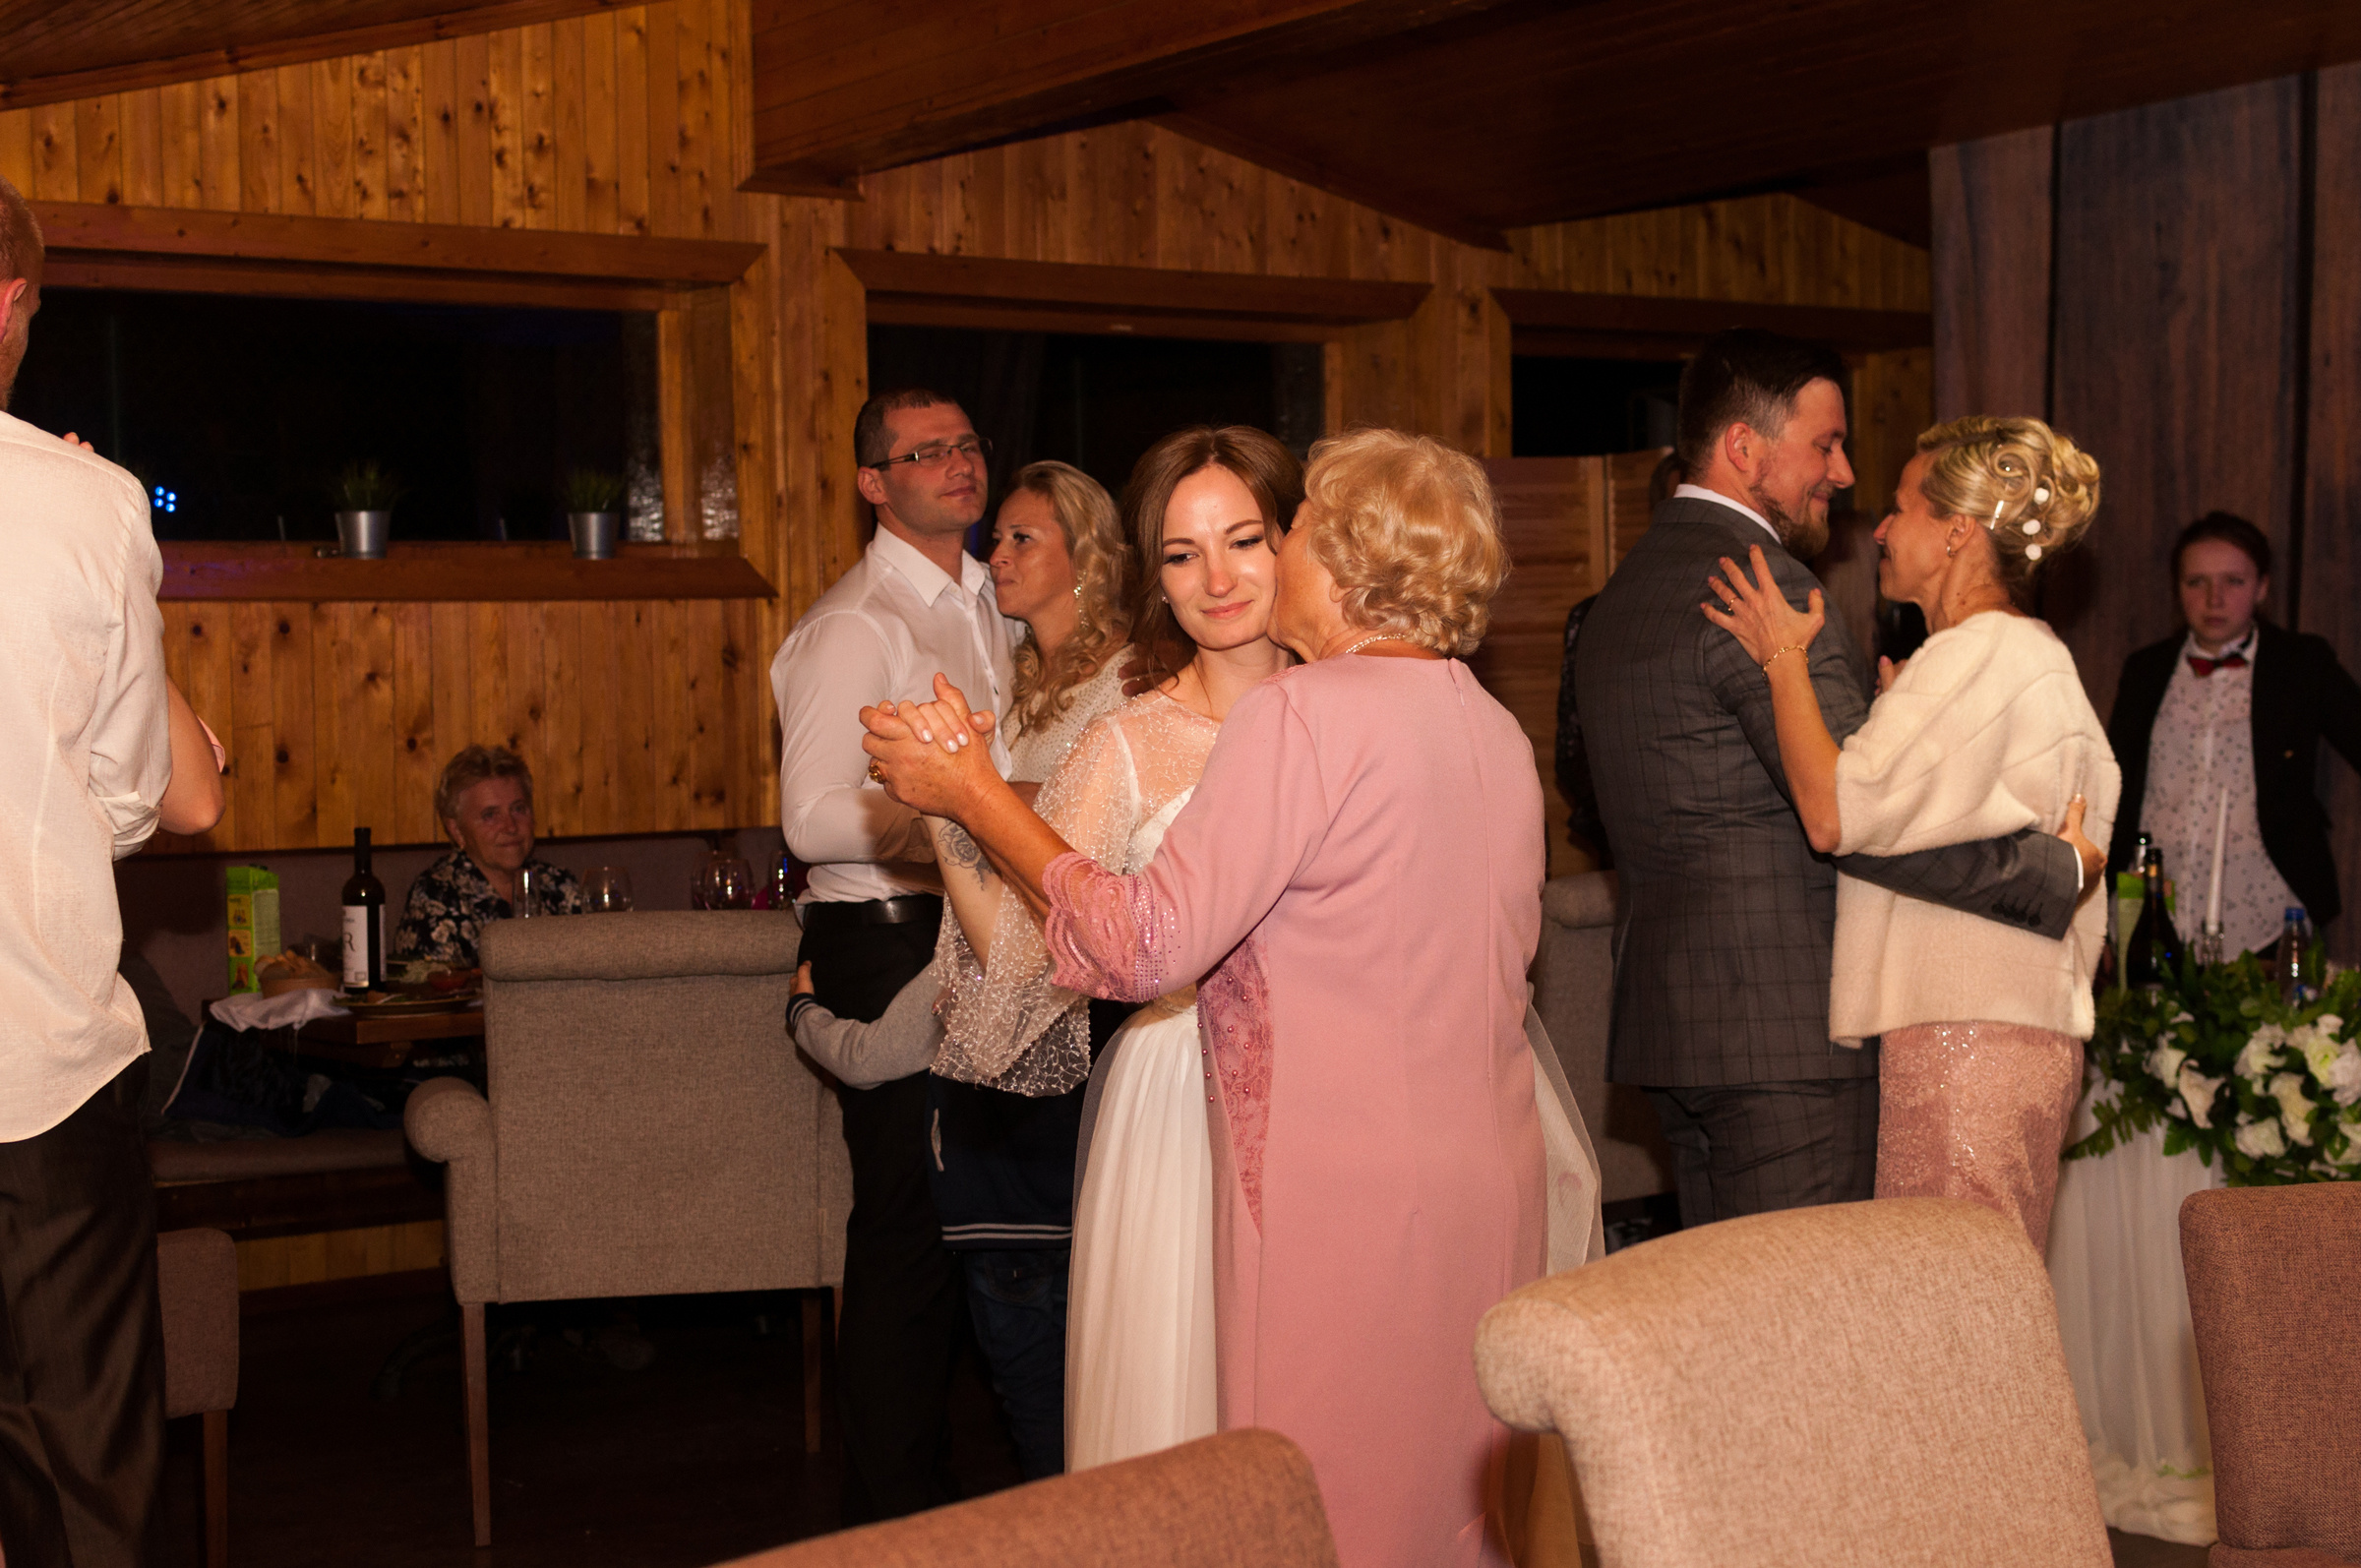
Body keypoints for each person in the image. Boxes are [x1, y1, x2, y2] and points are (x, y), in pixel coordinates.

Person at [863, 428, 1593, 1568]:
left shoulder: (1302, 717)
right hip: (1481, 1175)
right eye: (1185, 553)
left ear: (1342, 562)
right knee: (1455, 1503)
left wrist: (967, 788)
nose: (1250, 565)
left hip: (1338, 1187)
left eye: (1279, 533)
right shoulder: (1486, 722)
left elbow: (1145, 944)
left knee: (1311, 1500)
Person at [1572, 329, 2092, 1228]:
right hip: (1786, 1044)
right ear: (1745, 448)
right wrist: (2061, 873)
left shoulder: (1620, 594)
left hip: (1673, 1028)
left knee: (1732, 1334)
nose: (1843, 474)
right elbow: (1867, 823)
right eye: (1824, 444)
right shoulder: (1762, 586)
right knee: (1815, 1341)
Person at [789, 456, 1135, 1481]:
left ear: (1091, 557)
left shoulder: (1125, 684)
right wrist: (952, 806)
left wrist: (969, 795)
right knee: (973, 1271)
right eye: (1003, 536)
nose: (998, 553)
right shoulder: (1003, 677)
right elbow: (817, 820)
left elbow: (1085, 864)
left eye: (1025, 538)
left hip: (1078, 992)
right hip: (987, 965)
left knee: (1040, 1294)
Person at [1701, 416, 2116, 1248]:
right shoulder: (2025, 654)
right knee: (1979, 1299)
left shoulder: (1976, 657)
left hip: (1968, 1039)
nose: (1880, 529)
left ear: (1958, 530)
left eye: (1901, 508)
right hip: (2007, 1030)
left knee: (1951, 1304)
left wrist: (1784, 660)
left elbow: (1832, 814)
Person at [0, 172, 222, 1567]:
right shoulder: (76, 503)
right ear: (7, 300)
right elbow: (148, 796)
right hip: (32, 1059)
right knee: (88, 1466)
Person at [770, 387, 1016, 1522]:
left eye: (966, 445)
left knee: (978, 1212)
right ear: (876, 482)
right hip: (884, 936)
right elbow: (812, 818)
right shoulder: (854, 624)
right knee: (909, 1230)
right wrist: (972, 824)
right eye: (925, 452)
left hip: (979, 925)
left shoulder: (991, 598)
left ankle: (959, 1490)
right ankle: (892, 1507)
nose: (957, 464)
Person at [2105, 512, 2361, 954]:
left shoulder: (2301, 664)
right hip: (2151, 911)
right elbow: (2114, 786)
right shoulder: (2145, 670)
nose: (2214, 599)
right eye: (2196, 582)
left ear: (2262, 587)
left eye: (2233, 582)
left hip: (2268, 914)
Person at [1555, 451, 1682, 867]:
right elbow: (1572, 749)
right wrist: (1623, 824)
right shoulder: (1598, 617)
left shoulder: (1747, 615)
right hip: (1622, 840)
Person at [394, 745, 584, 969]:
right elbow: (437, 992)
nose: (511, 826)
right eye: (490, 815)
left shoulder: (559, 885)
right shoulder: (436, 897)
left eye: (518, 809)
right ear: (456, 830)